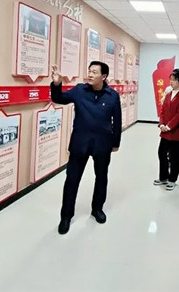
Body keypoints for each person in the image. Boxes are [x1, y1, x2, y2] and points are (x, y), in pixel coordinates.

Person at [50, 62, 122, 234]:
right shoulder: (79, 91)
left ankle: (97, 209)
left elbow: (117, 121)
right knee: (71, 180)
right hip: (79, 144)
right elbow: (58, 98)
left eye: (94, 72)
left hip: (102, 145)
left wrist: (115, 143)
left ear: (104, 76)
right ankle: (66, 216)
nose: (90, 74)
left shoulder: (112, 96)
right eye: (89, 71)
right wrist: (57, 84)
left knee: (101, 178)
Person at [154, 69, 179, 191]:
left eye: (174, 80)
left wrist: (168, 126)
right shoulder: (168, 94)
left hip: (175, 132)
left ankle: (172, 179)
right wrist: (161, 124)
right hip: (164, 132)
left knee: (174, 157)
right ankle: (163, 177)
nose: (171, 82)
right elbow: (163, 111)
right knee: (162, 154)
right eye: (171, 80)